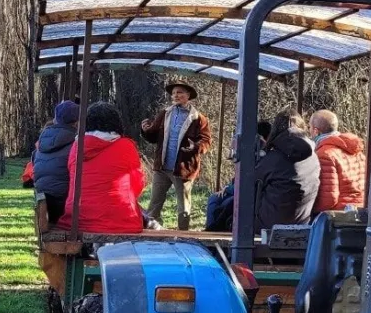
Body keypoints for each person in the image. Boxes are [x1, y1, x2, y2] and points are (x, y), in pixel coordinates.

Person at [56, 101, 146, 234]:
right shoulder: (126, 146)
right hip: (122, 222)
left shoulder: (77, 146)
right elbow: (138, 184)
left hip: (77, 220)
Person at [141, 79, 212, 231]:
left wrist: (196, 147)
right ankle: (151, 235)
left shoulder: (199, 118)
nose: (175, 95)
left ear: (188, 95)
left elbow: (207, 141)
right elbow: (152, 137)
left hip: (183, 169)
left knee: (183, 209)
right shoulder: (165, 113)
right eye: (173, 93)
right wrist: (145, 130)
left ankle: (183, 236)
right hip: (162, 168)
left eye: (179, 92)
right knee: (154, 205)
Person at [253, 110, 320, 233]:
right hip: (302, 224)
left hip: (267, 226)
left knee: (224, 205)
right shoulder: (314, 158)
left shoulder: (273, 158)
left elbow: (250, 184)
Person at [205, 121, 271, 232]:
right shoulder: (252, 152)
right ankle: (210, 229)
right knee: (214, 198)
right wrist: (229, 187)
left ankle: (214, 230)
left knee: (228, 203)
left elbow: (250, 180)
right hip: (239, 188)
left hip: (249, 193)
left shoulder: (263, 156)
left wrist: (229, 189)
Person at [309, 109, 366, 214]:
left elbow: (329, 198)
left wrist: (311, 212)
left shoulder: (324, 154)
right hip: (362, 211)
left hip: (340, 215)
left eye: (310, 128)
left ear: (316, 131)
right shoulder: (357, 152)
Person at [32, 100, 79, 222]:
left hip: (44, 202)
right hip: (62, 205)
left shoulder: (43, 140)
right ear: (76, 122)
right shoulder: (75, 144)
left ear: (56, 119)